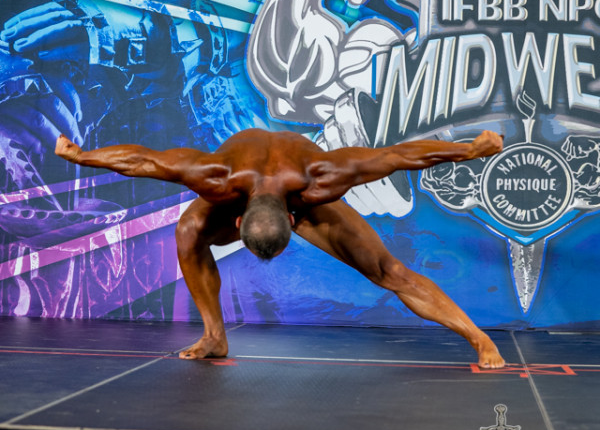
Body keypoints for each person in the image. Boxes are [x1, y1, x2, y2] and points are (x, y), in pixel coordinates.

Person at [55, 128, 505, 368]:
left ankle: (479, 337)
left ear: (294, 221)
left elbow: (397, 156)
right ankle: (214, 336)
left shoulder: (322, 178)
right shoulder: (216, 177)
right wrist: (82, 156)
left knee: (389, 272)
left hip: (300, 192)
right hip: (250, 190)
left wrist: (468, 150)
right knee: (189, 229)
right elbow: (144, 161)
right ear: (237, 219)